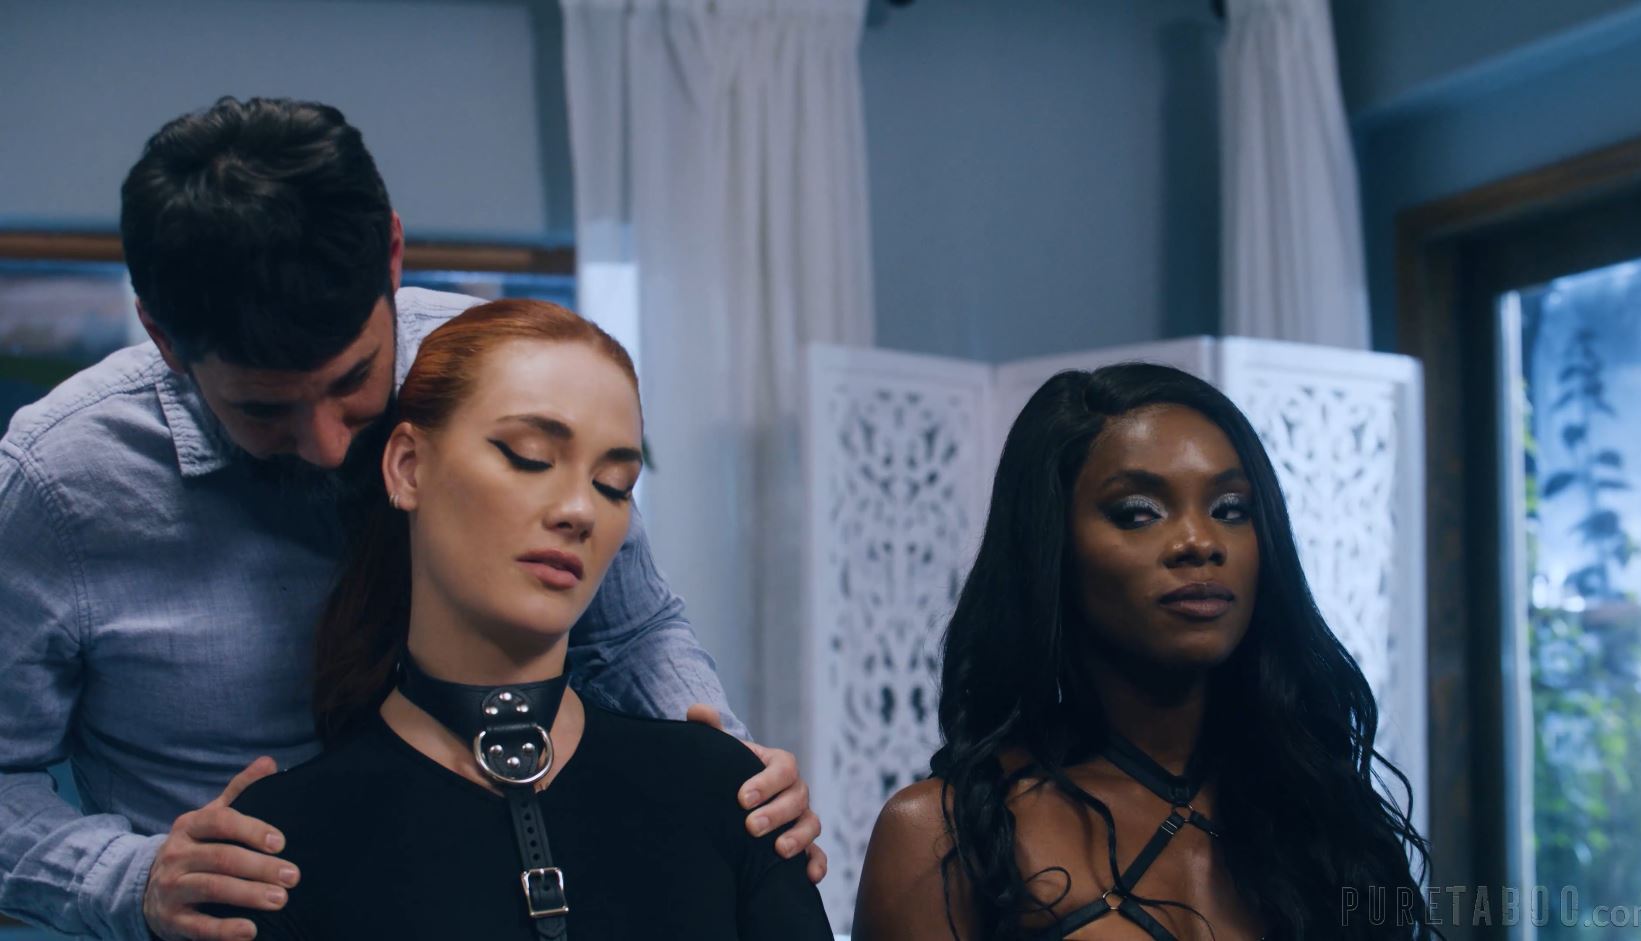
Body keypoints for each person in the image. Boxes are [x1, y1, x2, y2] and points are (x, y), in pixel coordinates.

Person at [0, 97, 820, 941]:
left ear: (392, 255)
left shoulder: (493, 376)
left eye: (353, 380)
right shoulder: (60, 482)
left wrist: (738, 782)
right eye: (265, 409)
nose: (327, 445)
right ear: (164, 338)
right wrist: (134, 878)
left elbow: (630, 629)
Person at [208, 298, 833, 940]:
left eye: (614, 485)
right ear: (408, 466)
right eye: (529, 456)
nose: (579, 510)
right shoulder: (271, 850)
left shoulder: (730, 795)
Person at [851, 364, 1433, 940]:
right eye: (1139, 513)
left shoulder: (1324, 815)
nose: (1200, 543)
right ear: (1050, 547)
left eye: (1231, 509)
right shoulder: (943, 837)